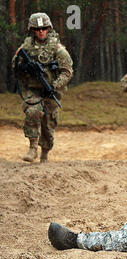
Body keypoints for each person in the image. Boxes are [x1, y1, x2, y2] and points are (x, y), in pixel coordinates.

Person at [12, 12, 73, 163]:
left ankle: (45, 152)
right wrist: (24, 67)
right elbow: (15, 65)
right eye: (37, 28)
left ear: (49, 28)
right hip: (33, 89)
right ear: (32, 30)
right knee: (33, 111)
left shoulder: (57, 48)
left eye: (44, 28)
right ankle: (33, 147)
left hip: (51, 91)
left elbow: (67, 71)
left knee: (48, 124)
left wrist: (54, 86)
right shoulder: (25, 47)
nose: (41, 31)